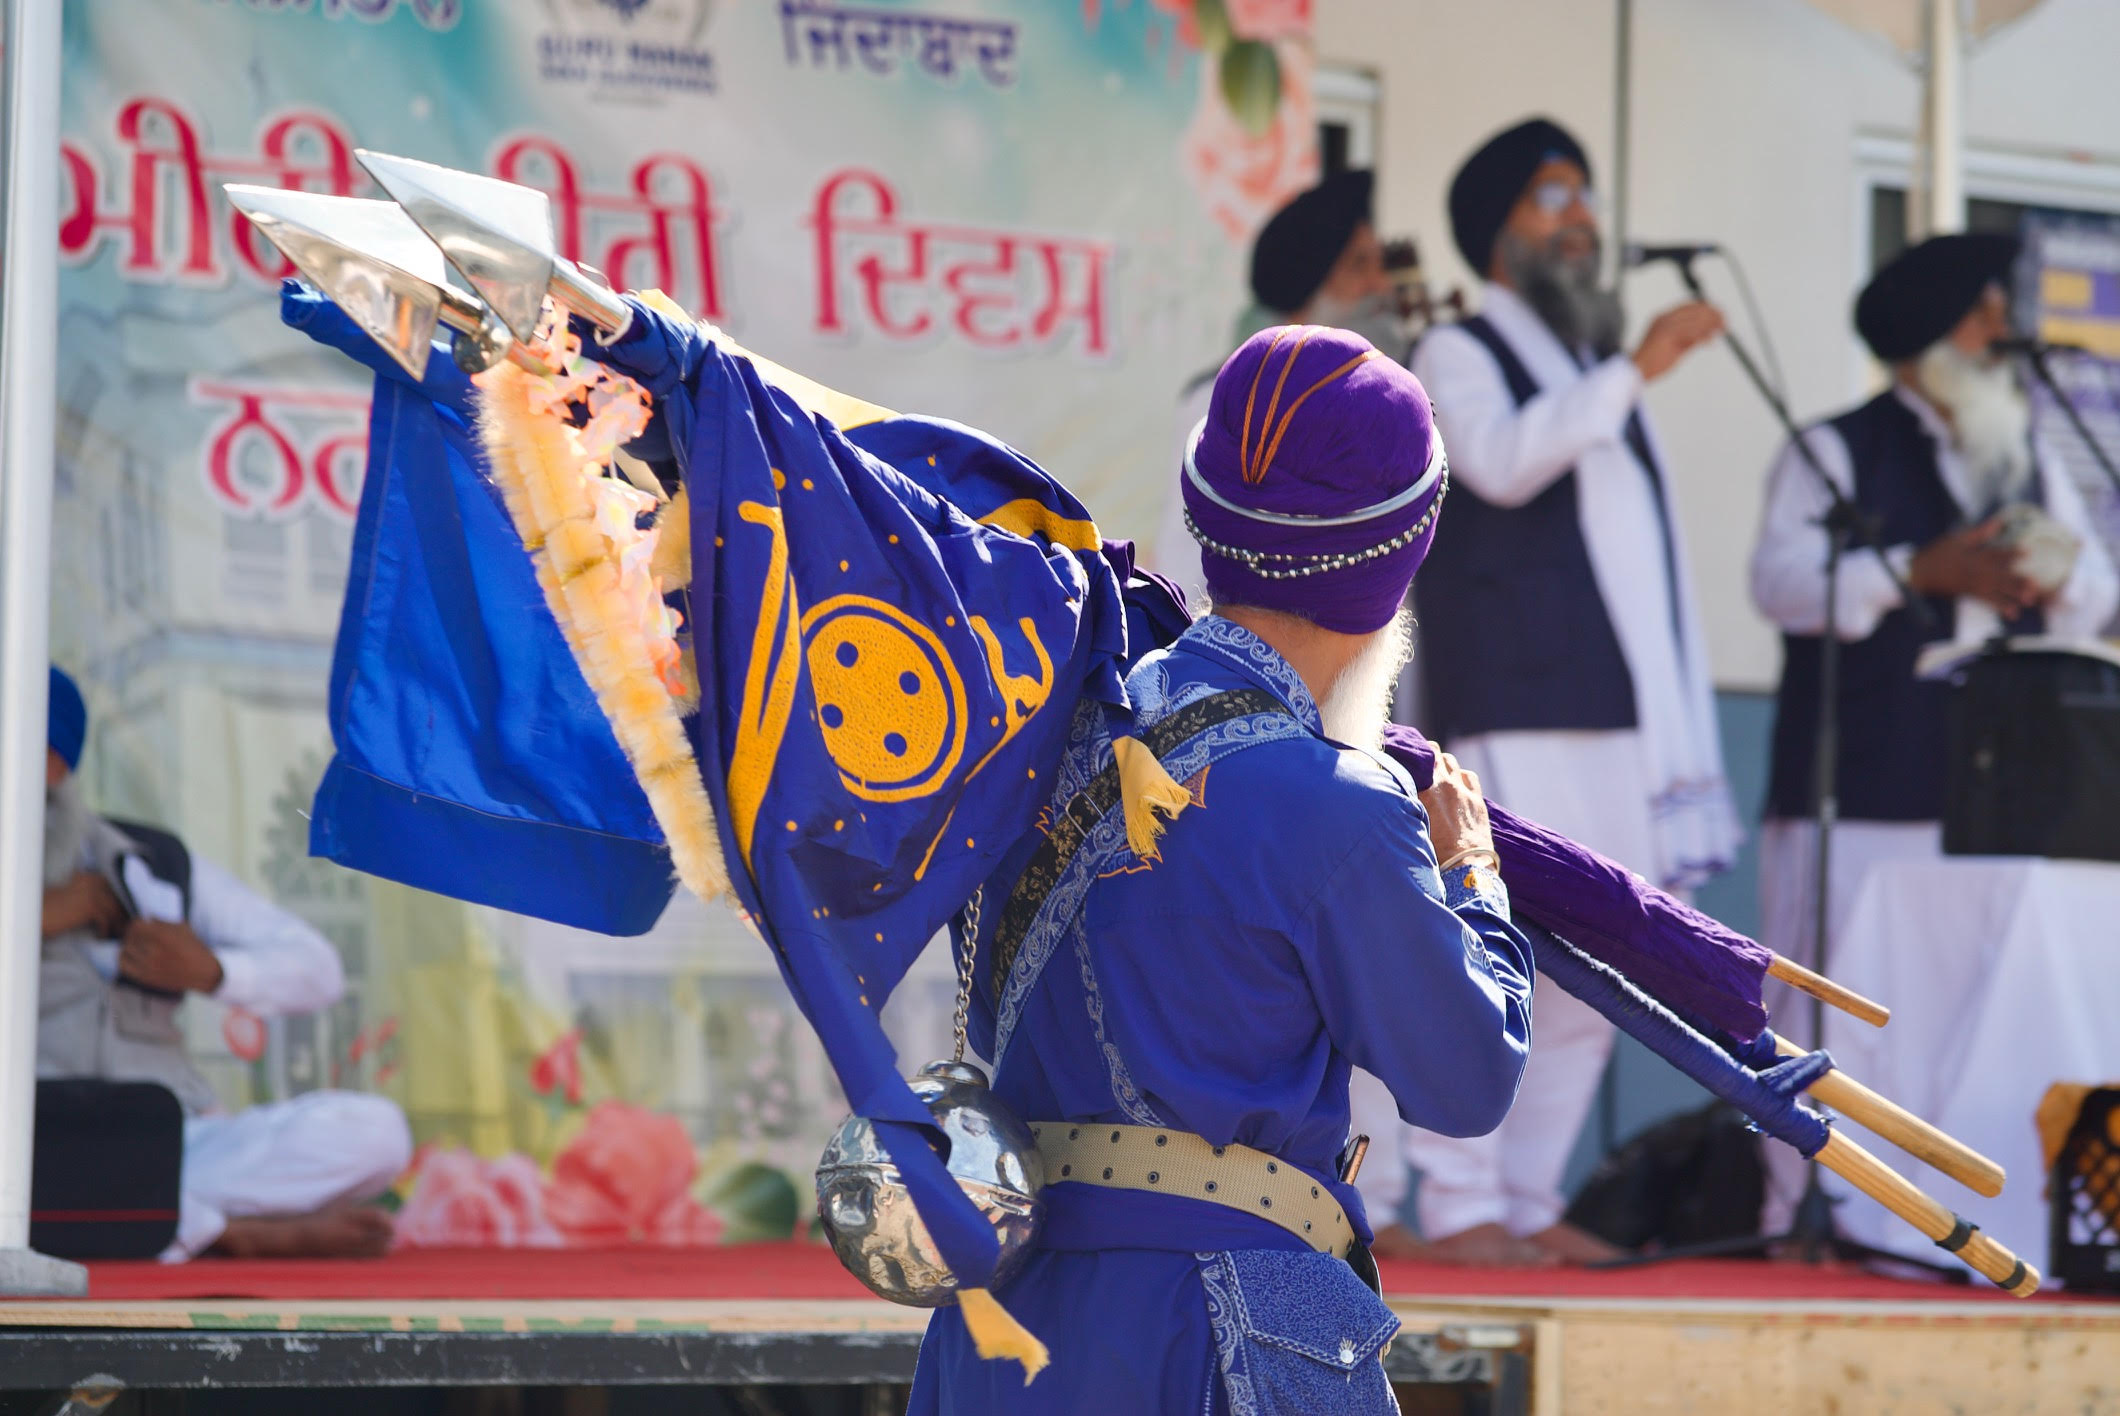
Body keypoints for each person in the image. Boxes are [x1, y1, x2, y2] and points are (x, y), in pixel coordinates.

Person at [909, 326, 1534, 1413]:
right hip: (1218, 1340)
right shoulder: (1337, 806)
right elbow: (1464, 1075)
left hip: (1006, 1337)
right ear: (1400, 555)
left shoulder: (1041, 723)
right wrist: (1472, 880)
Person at [1396, 116, 1741, 1267]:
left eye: (1584, 196)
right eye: (1552, 198)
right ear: (1497, 235)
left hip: (1615, 711)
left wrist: (1618, 377)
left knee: (1599, 967)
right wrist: (1633, 371)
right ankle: (1452, 1205)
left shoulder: (1586, 369)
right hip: (1517, 704)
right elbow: (1496, 463)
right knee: (1492, 946)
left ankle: (1526, 1198)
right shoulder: (1460, 352)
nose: (1579, 218)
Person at [1748, 233, 2119, 1227]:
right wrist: (1918, 569)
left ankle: (1925, 1226)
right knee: (1823, 1010)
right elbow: (1779, 582)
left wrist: (2042, 577)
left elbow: (2094, 592)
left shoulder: (2027, 452)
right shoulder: (1831, 448)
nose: (2003, 329)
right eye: (1982, 311)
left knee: (1957, 1005)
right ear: (1932, 336)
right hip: (1859, 774)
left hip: (1991, 790)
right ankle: (1799, 1217)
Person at [38, 667, 412, 1261]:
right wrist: (33, 918)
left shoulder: (144, 863)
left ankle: (178, 1219)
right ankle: (226, 1232)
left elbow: (317, 968)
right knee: (41, 1176)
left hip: (167, 1145)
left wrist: (210, 972)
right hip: (33, 1149)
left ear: (56, 764)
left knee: (376, 1134)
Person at [1149, 169, 1408, 594]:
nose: (1382, 285)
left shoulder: (1394, 400)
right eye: (1359, 265)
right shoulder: (1226, 398)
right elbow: (1187, 563)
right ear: (1306, 287)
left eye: (1382, 264)